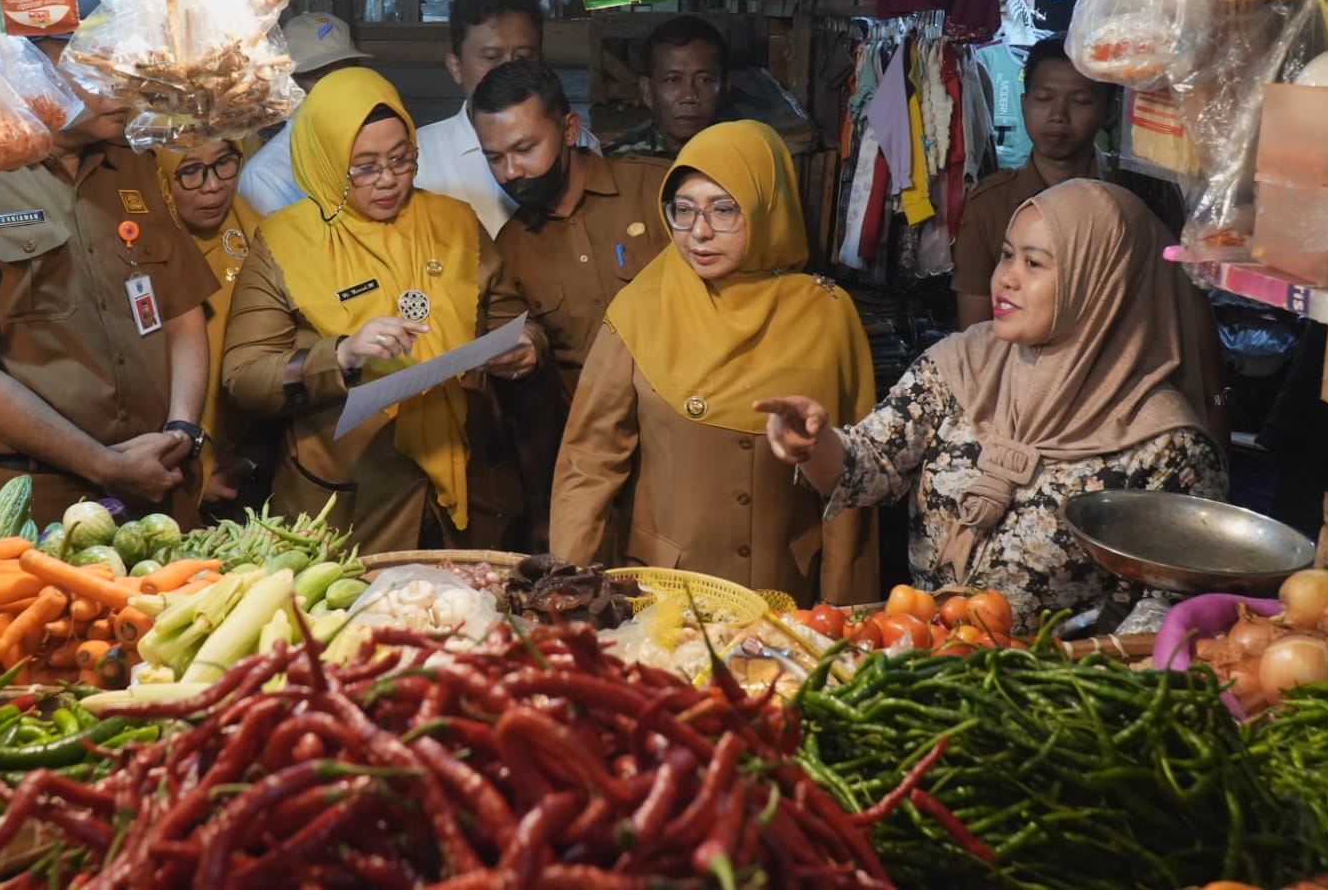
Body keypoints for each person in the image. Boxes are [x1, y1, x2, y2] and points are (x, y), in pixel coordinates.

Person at [759, 180, 1228, 632]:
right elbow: (873, 462)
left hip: (1063, 692)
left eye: (1034, 264)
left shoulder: (1168, 448)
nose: (1007, 278)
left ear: (1101, 283)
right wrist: (816, 444)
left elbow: (1165, 612)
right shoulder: (960, 364)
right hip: (928, 657)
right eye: (1007, 255)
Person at [0, 38, 217, 526]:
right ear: (27, 70)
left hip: (159, 476)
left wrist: (182, 429)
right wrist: (105, 466)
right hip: (30, 495)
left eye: (125, 71)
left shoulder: (133, 162)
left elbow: (181, 309)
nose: (122, 90)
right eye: (97, 73)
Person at [222, 68, 546, 555]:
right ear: (327, 160)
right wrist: (345, 355)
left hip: (472, 482)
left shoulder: (454, 221)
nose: (390, 180)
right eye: (365, 167)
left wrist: (526, 349)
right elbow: (244, 376)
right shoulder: (285, 242)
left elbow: (510, 316)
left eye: (402, 158)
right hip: (351, 496)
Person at [551, 121, 878, 602]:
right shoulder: (642, 311)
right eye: (683, 210)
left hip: (787, 594)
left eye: (724, 210)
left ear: (768, 206)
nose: (699, 233)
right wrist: (570, 592)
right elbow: (589, 464)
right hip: (664, 596)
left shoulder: (826, 315)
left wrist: (845, 616)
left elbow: (855, 484)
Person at [471, 59, 672, 525]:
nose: (511, 172)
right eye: (494, 157)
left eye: (524, 148)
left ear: (569, 129)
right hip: (595, 473)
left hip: (685, 449)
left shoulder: (658, 190)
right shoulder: (511, 248)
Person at [952, 35, 1185, 328]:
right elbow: (976, 332)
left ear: (1109, 110)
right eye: (1044, 99)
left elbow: (1181, 306)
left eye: (1081, 101)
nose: (1058, 116)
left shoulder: (1149, 191)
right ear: (1024, 104)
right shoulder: (987, 206)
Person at [415, 0, 600, 237]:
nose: (509, 70)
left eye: (523, 57)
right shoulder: (419, 156)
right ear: (456, 66)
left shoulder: (581, 146)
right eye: (491, 57)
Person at [154, 139, 272, 515]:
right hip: (158, 469)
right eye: (189, 171)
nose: (213, 185)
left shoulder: (259, 233)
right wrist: (197, 475)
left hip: (250, 466)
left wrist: (253, 457)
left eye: (225, 163)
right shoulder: (134, 247)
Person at [238, 13, 373, 217]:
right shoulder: (265, 176)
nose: (335, 84)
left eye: (344, 71)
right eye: (319, 75)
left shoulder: (381, 147)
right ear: (287, 81)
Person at [603, 16, 730, 159]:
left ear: (725, 88)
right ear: (647, 90)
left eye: (705, 79)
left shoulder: (744, 159)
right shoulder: (616, 162)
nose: (689, 96)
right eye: (673, 80)